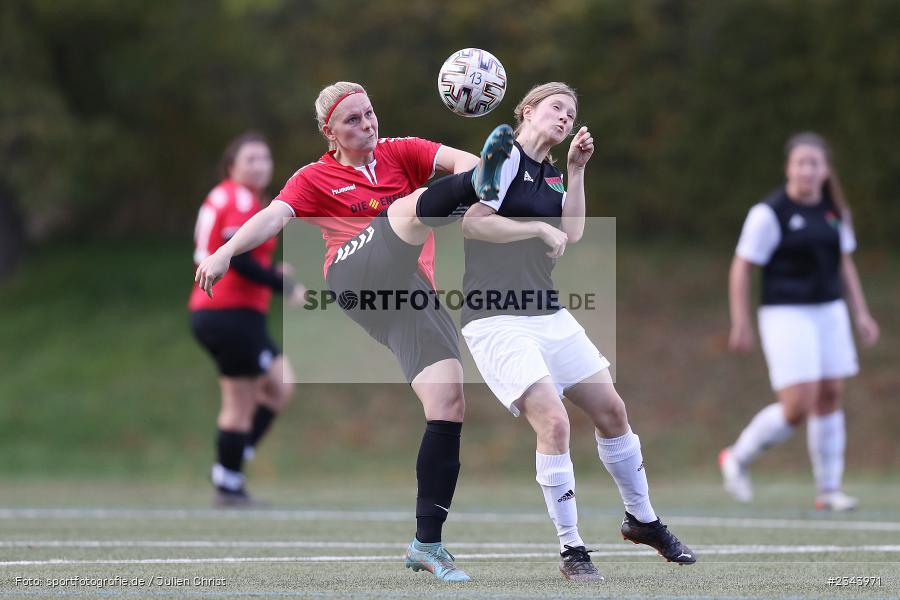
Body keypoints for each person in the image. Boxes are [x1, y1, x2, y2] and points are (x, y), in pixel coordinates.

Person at [195, 81, 515, 582]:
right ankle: (460, 201)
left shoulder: (402, 151)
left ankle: (426, 545)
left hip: (410, 293)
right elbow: (273, 216)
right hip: (353, 278)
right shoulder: (315, 176)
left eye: (369, 114)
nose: (367, 125)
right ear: (330, 132)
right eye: (353, 120)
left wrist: (480, 180)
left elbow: (469, 161)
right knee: (406, 209)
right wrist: (224, 252)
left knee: (449, 403)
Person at [454, 82, 696, 582]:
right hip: (496, 319)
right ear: (527, 111)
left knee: (612, 411)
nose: (565, 118)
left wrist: (577, 171)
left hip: (547, 314)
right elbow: (474, 224)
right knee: (555, 423)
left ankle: (643, 521)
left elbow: (574, 231)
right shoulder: (502, 155)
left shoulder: (548, 173)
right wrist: (534, 229)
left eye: (571, 112)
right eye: (555, 108)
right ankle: (573, 550)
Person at [721, 132, 879, 511]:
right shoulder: (769, 213)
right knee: (797, 405)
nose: (807, 170)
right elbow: (742, 266)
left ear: (825, 170)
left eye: (815, 163)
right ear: (789, 168)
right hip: (785, 313)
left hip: (830, 312)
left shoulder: (835, 212)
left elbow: (844, 262)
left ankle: (828, 490)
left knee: (830, 394)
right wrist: (740, 320)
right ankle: (736, 458)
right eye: (800, 163)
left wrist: (861, 313)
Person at [189, 132, 306, 507]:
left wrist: (274, 273)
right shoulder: (239, 197)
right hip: (229, 312)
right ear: (231, 166)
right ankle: (228, 481)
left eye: (265, 159)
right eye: (250, 159)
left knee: (280, 384)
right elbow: (235, 257)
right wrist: (283, 284)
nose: (260, 165)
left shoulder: (235, 197)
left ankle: (234, 460)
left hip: (232, 315)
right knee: (239, 404)